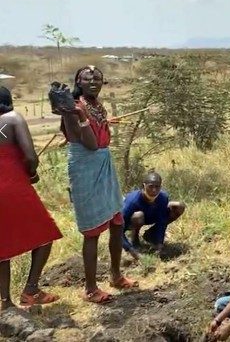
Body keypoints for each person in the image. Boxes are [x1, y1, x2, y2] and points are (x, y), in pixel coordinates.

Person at [56, 65, 138, 304]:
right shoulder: (72, 109)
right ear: (78, 82)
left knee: (116, 220)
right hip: (85, 168)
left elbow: (100, 138)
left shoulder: (95, 104)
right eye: (87, 78)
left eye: (98, 78)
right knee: (92, 231)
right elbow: (90, 144)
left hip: (104, 164)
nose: (93, 81)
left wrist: (98, 119)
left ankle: (115, 276)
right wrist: (82, 117)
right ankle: (91, 289)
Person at [0, 86, 62, 310]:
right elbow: (30, 157)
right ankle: (31, 290)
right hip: (12, 187)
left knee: (1, 246)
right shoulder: (12, 118)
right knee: (46, 234)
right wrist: (32, 174)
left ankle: (6, 302)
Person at [121, 171, 187, 261]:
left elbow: (162, 221)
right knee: (138, 216)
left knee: (179, 206)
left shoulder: (163, 198)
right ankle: (134, 240)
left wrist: (159, 244)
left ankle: (151, 235)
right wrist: (132, 251)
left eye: (157, 187)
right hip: (133, 221)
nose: (154, 190)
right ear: (144, 186)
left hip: (151, 216)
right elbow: (118, 230)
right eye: (151, 186)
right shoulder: (132, 201)